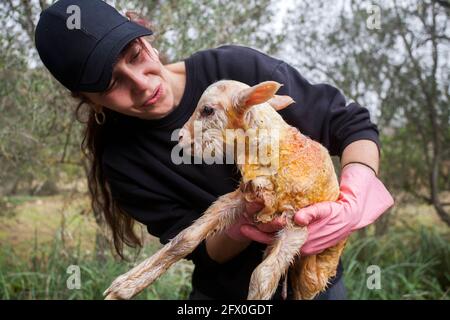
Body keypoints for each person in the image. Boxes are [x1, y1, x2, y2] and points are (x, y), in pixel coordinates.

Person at [34, 0, 394, 300]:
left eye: (134, 55)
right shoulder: (123, 160)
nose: (142, 84)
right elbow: (203, 252)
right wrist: (239, 223)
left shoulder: (233, 69)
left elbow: (350, 125)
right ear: (90, 101)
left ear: (145, 37)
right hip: (225, 296)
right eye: (113, 84)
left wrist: (355, 195)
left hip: (316, 278)